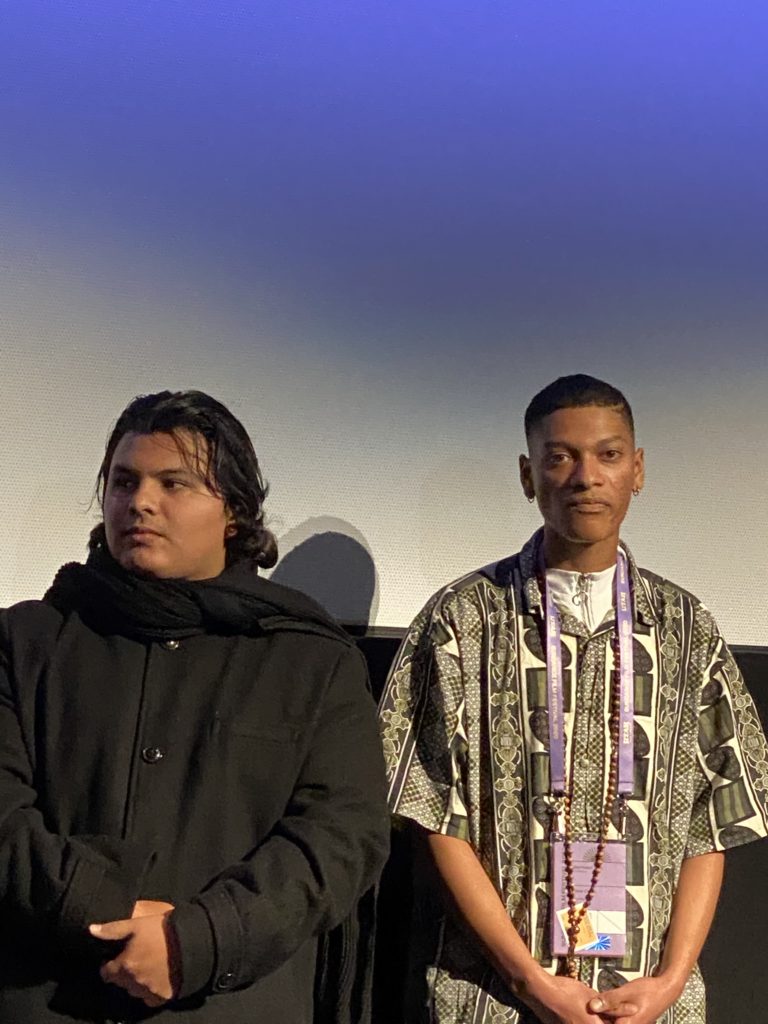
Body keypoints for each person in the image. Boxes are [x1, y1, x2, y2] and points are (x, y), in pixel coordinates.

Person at [378, 374, 768, 1024]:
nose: (586, 477)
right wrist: (529, 980)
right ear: (528, 475)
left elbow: (714, 819)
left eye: (608, 455)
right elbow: (434, 817)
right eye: (561, 457)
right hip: (492, 999)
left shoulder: (686, 628)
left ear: (637, 470)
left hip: (648, 1004)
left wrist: (670, 981)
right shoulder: (461, 621)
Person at [0, 389, 389, 1024]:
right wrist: (105, 907)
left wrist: (196, 943)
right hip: (46, 996)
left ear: (233, 510)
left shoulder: (310, 661)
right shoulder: (26, 642)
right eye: (124, 481)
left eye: (173, 483)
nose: (140, 502)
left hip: (228, 1003)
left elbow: (342, 837)